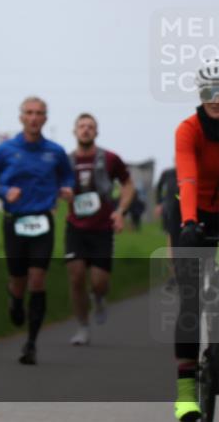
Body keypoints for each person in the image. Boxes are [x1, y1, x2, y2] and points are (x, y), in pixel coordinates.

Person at [0, 96, 74, 365]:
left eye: (39, 113)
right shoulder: (6, 150)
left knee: (37, 279)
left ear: (45, 118)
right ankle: (15, 300)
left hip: (43, 221)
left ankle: (31, 344)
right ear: (21, 117)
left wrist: (67, 189)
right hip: (15, 221)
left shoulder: (55, 152)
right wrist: (4, 191)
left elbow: (67, 176)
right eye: (29, 113)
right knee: (18, 280)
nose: (34, 117)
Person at [169, 59, 219, 422]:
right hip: (190, 215)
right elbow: (186, 177)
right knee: (191, 301)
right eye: (210, 91)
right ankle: (186, 399)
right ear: (200, 94)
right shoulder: (188, 130)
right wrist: (189, 221)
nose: (216, 98)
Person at [63, 113, 135, 347]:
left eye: (90, 127)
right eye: (81, 126)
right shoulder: (65, 161)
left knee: (98, 282)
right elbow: (54, 185)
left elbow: (127, 184)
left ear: (97, 132)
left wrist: (120, 211)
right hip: (75, 227)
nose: (86, 130)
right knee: (76, 278)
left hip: (102, 228)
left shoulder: (110, 158)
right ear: (74, 132)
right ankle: (83, 327)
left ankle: (100, 297)